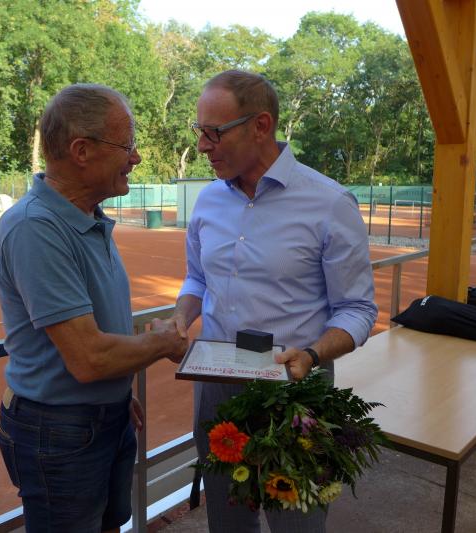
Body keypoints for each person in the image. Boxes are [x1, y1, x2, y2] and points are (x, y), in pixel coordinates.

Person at [172, 70, 378, 532]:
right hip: (217, 386)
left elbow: (358, 309)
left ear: (260, 126)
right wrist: (181, 315)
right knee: (227, 520)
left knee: (296, 523)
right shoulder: (207, 201)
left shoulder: (329, 203)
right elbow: (197, 277)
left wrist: (312, 355)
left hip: (295, 390)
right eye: (199, 131)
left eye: (214, 132)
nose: (202, 145)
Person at [0, 83, 188, 533]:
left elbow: (97, 342)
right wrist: (162, 342)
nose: (136, 157)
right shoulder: (36, 228)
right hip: (60, 432)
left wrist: (114, 397)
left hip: (101, 418)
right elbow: (88, 359)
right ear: (81, 151)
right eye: (127, 145)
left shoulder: (87, 218)